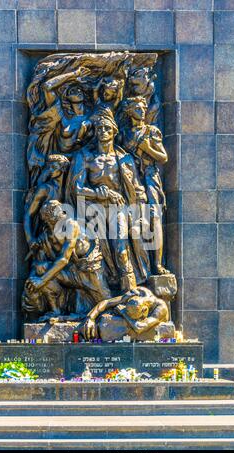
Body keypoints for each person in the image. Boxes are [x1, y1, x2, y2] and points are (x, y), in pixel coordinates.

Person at [66, 108, 151, 291]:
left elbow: (137, 189)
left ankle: (129, 293)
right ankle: (103, 293)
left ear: (114, 131)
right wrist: (98, 193)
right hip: (92, 209)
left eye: (106, 128)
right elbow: (76, 189)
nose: (103, 132)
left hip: (118, 208)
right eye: (99, 129)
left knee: (121, 251)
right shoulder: (85, 157)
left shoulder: (125, 159)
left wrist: (141, 214)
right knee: (97, 254)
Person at [22, 200, 111, 321]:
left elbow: (64, 259)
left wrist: (41, 281)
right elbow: (43, 259)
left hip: (89, 271)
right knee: (41, 267)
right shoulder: (48, 234)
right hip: (72, 272)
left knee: (106, 303)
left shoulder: (71, 225)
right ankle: (56, 311)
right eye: (47, 220)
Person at [119, 96, 169, 275]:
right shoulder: (123, 133)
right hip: (130, 178)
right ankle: (137, 266)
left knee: (155, 218)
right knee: (135, 219)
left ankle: (157, 264)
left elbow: (163, 158)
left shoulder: (151, 131)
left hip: (149, 177)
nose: (141, 111)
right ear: (129, 111)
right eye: (137, 108)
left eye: (143, 108)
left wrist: (147, 148)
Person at [27, 66, 93, 185]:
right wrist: (74, 74)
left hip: (84, 165)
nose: (77, 92)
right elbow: (47, 86)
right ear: (66, 97)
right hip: (59, 164)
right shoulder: (62, 116)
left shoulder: (92, 117)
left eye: (79, 90)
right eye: (72, 91)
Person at [23, 154, 70, 257]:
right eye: (49, 167)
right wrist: (30, 239)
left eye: (54, 167)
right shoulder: (45, 189)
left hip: (69, 236)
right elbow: (28, 215)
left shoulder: (69, 188)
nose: (50, 170)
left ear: (62, 168)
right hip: (48, 240)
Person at [84, 286, 169, 340]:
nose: (131, 319)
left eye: (135, 318)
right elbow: (107, 302)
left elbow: (140, 327)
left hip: (149, 334)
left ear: (144, 310)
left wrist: (123, 313)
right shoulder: (136, 293)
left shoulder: (161, 308)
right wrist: (91, 318)